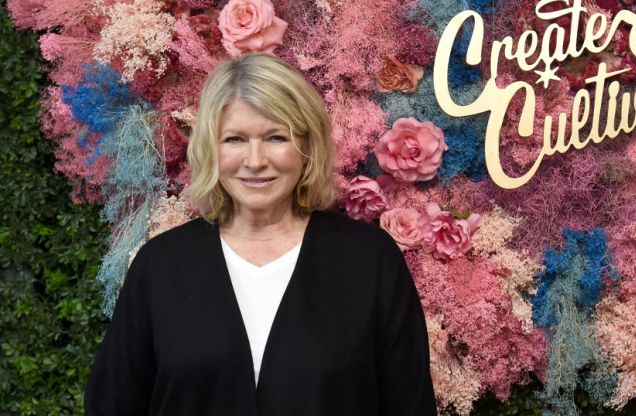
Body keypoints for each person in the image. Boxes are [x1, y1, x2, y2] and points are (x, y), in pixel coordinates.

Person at [85, 53, 437, 415]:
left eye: (275, 137)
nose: (255, 160)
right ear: (211, 148)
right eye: (235, 139)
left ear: (306, 147)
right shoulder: (161, 266)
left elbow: (410, 406)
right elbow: (112, 405)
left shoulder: (368, 261)